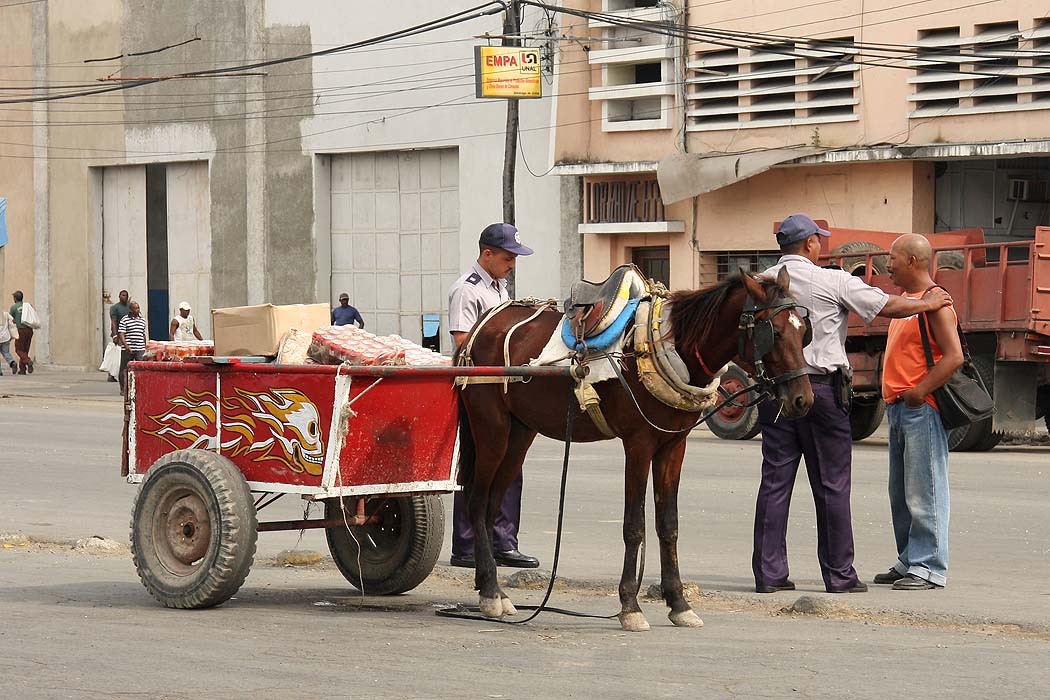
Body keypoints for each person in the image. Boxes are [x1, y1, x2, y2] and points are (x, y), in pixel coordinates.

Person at [752, 214, 953, 594]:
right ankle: (839, 576)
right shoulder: (832, 280)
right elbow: (886, 306)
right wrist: (927, 304)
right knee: (832, 485)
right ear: (810, 244)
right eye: (819, 240)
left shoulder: (762, 283)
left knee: (775, 481)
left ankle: (769, 575)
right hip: (822, 393)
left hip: (775, 392)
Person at [447, 222, 539, 569]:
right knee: (480, 463)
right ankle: (468, 545)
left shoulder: (500, 289)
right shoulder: (467, 290)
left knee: (511, 464)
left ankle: (503, 541)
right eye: (507, 257)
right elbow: (462, 342)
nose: (512, 264)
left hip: (505, 388)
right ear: (487, 254)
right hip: (479, 388)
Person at [875, 234, 963, 590]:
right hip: (899, 408)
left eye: (893, 258)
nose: (888, 264)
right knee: (900, 492)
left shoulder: (937, 303)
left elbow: (953, 356)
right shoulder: (910, 302)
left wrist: (919, 392)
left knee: (924, 490)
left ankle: (929, 567)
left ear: (912, 261)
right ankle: (909, 559)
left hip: (920, 409)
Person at [118, 301, 148, 395]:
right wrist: (126, 346)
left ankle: (140, 387)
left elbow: (143, 334)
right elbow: (122, 334)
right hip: (128, 348)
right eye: (136, 308)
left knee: (141, 367)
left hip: (140, 348)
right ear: (131, 309)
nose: (138, 310)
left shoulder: (142, 320)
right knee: (125, 368)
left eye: (138, 308)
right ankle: (124, 388)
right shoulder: (125, 320)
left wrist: (145, 346)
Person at [10, 290, 34, 375]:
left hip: (20, 330)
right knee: (25, 350)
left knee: (19, 349)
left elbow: (11, 320)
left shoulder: (14, 307)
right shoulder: (28, 306)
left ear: (15, 298)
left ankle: (28, 361)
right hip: (30, 330)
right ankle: (22, 369)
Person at [0, 309, 16, 375]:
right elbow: (13, 321)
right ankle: (12, 362)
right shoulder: (5, 313)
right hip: (6, 337)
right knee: (6, 352)